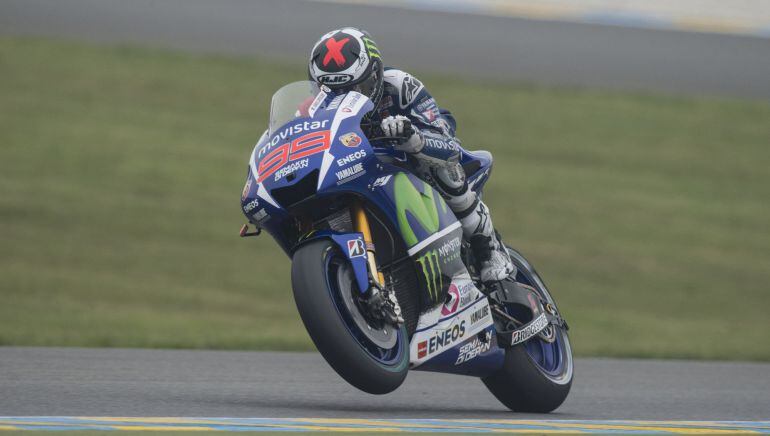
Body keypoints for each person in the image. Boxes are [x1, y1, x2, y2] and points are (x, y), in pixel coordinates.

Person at [308, 27, 514, 285]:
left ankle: (489, 249)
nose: (343, 98)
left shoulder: (400, 85)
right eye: (332, 91)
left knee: (443, 168)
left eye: (354, 89)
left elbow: (446, 140)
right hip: (363, 169)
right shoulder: (311, 109)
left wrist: (412, 137)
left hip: (413, 158)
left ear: (375, 74)